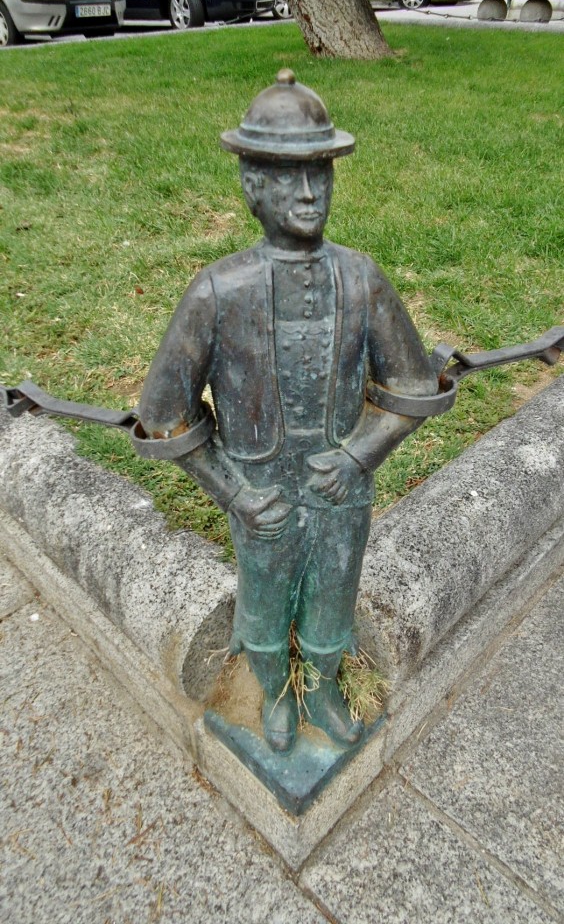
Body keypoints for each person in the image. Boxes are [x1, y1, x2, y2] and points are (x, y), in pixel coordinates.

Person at [136, 70, 437, 755]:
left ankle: (324, 686)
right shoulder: (217, 292)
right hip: (261, 494)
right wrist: (236, 494)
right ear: (251, 187)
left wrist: (360, 454)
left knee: (334, 601)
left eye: (320, 176)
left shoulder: (361, 277)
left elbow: (413, 389)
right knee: (265, 610)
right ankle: (275, 691)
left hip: (339, 490)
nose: (308, 194)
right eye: (287, 178)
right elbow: (165, 418)